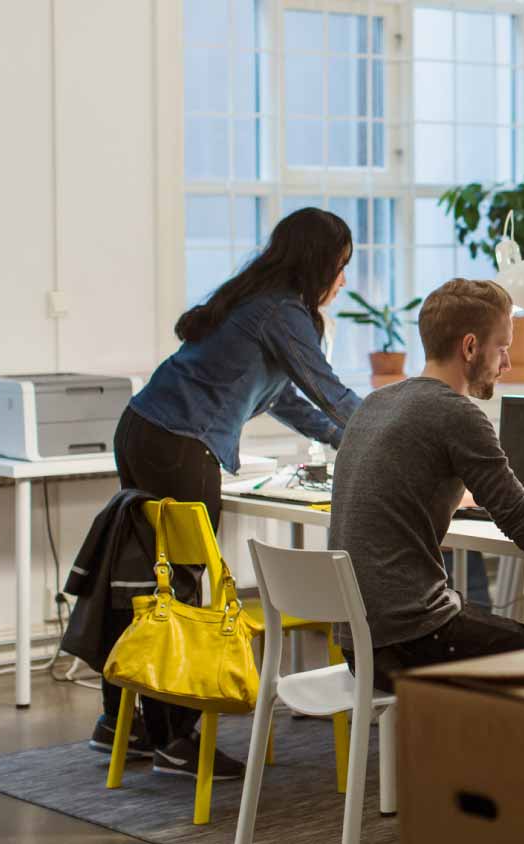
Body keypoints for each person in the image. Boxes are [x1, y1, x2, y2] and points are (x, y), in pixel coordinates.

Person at [90, 207, 364, 780]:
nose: (343, 280)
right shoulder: (284, 312)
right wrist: (389, 431)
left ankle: (122, 722)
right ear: (321, 263)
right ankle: (176, 739)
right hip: (180, 447)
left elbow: (287, 399)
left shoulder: (251, 301)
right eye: (341, 267)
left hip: (142, 429)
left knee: (146, 581)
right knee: (184, 593)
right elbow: (328, 390)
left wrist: (350, 441)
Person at [330, 278, 524, 691]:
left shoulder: (376, 403)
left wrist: (462, 495)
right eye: (503, 347)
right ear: (470, 347)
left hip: (359, 644)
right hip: (412, 640)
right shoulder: (456, 414)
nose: (507, 363)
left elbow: (402, 489)